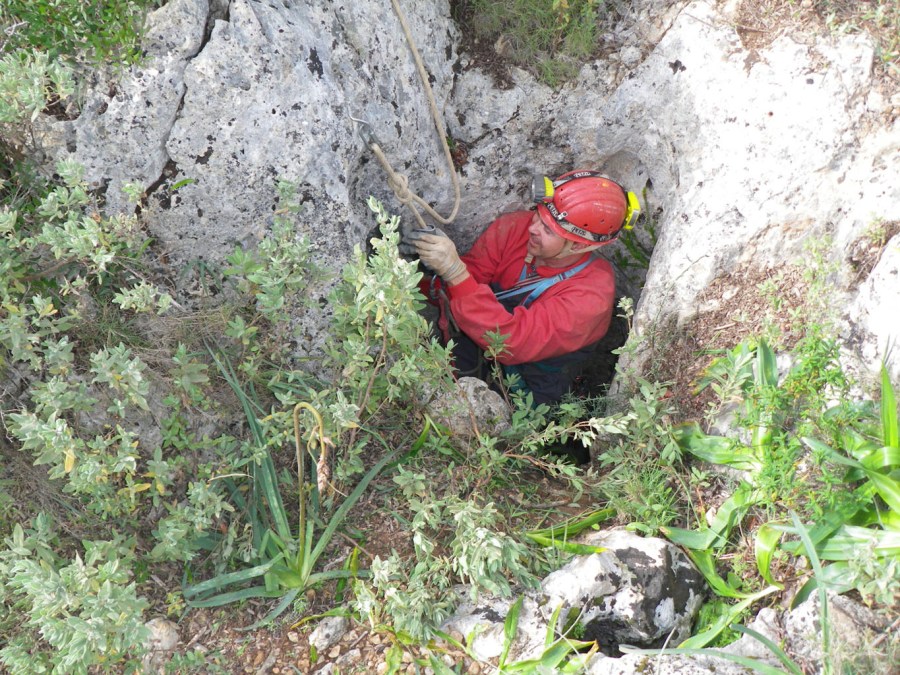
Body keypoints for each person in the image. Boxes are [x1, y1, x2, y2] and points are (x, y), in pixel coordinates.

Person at [405, 170, 640, 406]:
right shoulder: (516, 228)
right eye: (539, 215)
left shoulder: (591, 297)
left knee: (516, 424)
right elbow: (468, 279)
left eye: (549, 230)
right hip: (483, 332)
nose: (533, 228)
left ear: (578, 246)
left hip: (539, 373)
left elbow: (510, 342)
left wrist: (455, 272)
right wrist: (424, 271)